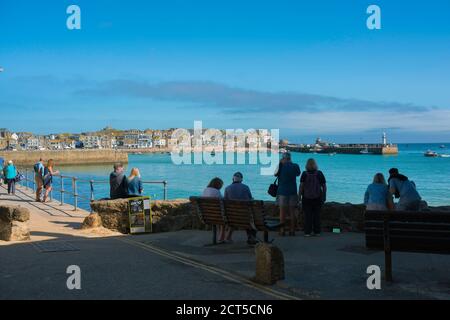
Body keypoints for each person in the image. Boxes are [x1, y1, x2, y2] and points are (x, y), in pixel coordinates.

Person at [224, 172, 256, 245]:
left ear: (232, 179)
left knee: (238, 216)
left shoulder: (227, 188)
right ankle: (251, 237)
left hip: (231, 215)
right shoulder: (246, 187)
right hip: (244, 216)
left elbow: (225, 201)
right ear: (241, 180)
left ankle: (228, 237)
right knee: (251, 218)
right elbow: (250, 200)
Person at [275, 152, 301, 236]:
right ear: (290, 158)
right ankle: (292, 230)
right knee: (292, 212)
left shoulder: (280, 166)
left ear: (283, 158)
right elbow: (298, 174)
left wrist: (280, 163)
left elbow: (275, 174)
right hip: (292, 191)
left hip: (282, 191)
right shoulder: (295, 166)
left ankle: (282, 231)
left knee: (282, 213)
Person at [299, 158, 326, 237]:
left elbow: (301, 186)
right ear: (315, 165)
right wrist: (324, 196)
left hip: (306, 198)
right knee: (317, 215)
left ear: (306, 165)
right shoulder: (319, 173)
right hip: (318, 198)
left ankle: (307, 232)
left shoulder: (304, 174)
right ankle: (317, 232)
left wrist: (299, 196)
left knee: (308, 215)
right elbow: (324, 186)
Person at [202, 177, 230, 243]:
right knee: (223, 217)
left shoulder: (205, 190)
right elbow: (223, 201)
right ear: (218, 185)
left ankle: (220, 237)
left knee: (219, 216)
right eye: (221, 185)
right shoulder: (217, 192)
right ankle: (221, 237)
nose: (221, 186)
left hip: (206, 214)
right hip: (216, 215)